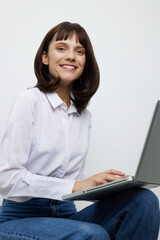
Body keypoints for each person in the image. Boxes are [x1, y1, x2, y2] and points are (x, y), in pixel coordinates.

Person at [0, 21, 159, 240]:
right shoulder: (28, 102)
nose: (71, 56)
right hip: (19, 218)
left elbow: (75, 179)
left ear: (85, 61)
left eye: (79, 51)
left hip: (65, 215)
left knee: (144, 201)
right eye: (62, 48)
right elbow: (7, 178)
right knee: (93, 234)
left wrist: (110, 186)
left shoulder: (84, 116)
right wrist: (77, 184)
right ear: (45, 57)